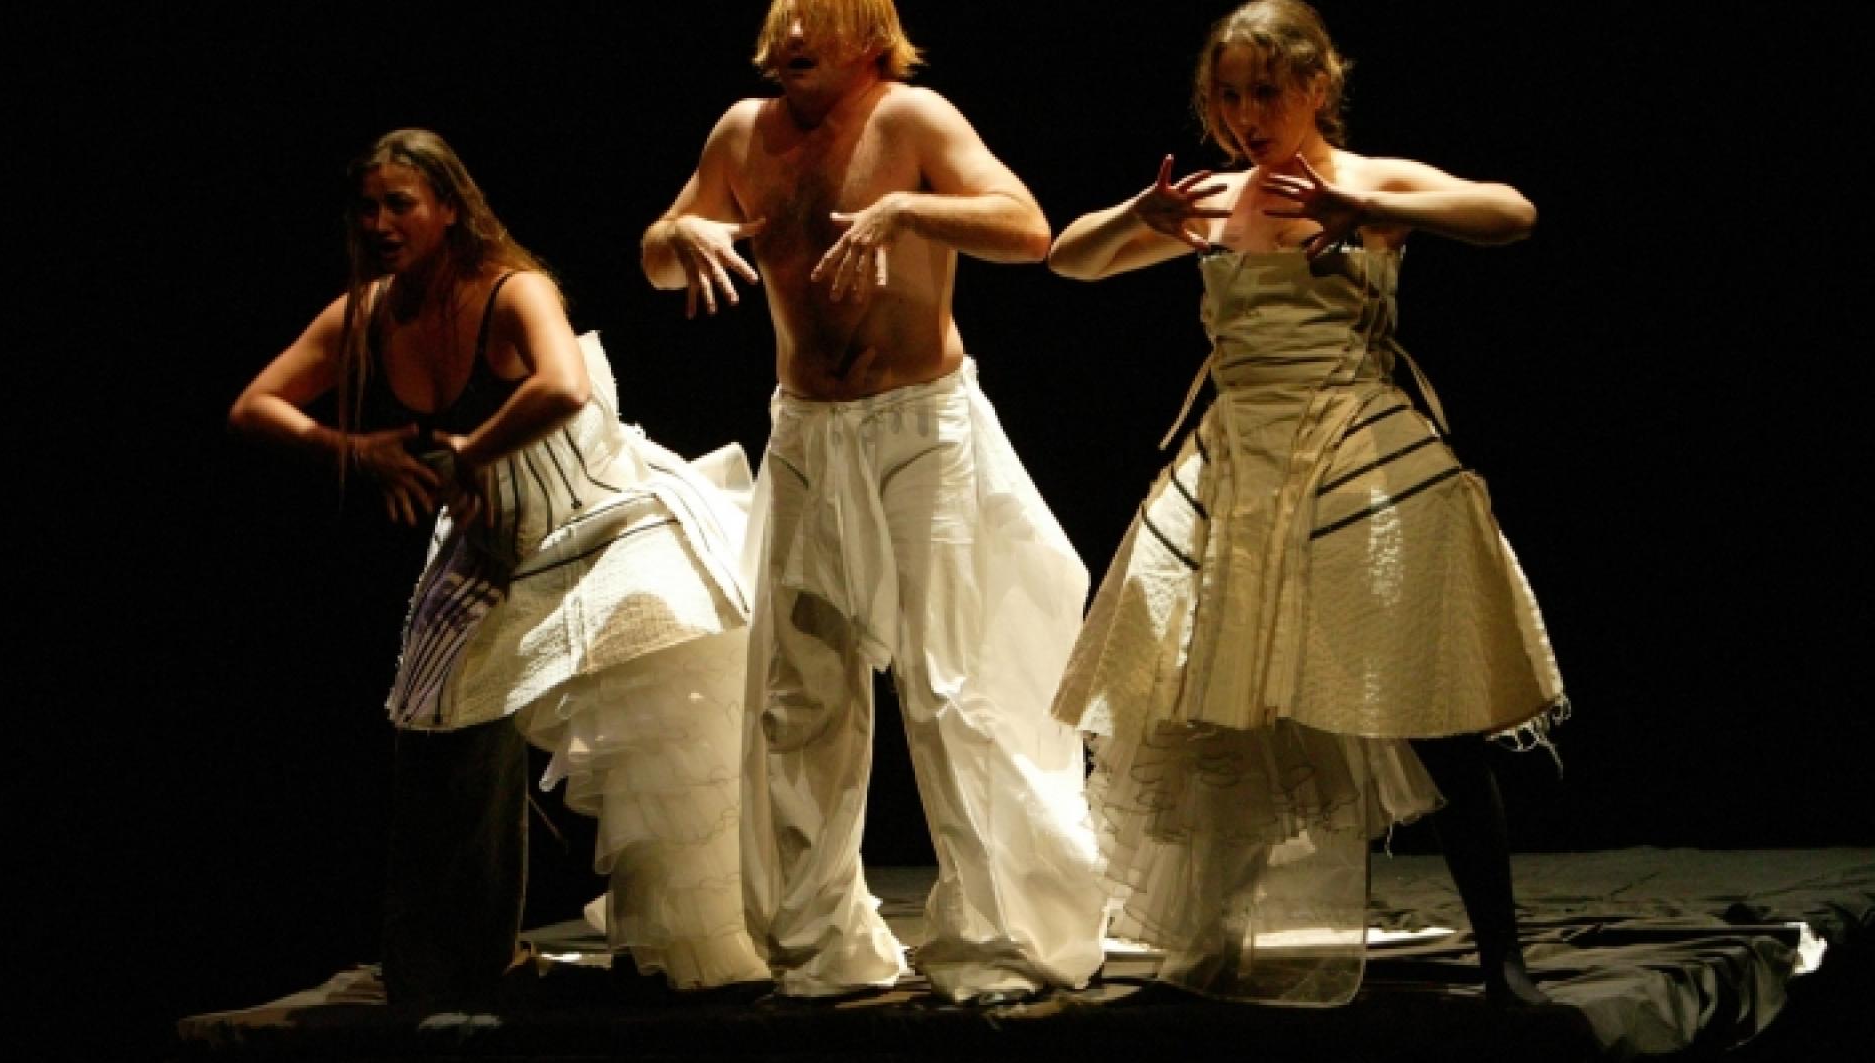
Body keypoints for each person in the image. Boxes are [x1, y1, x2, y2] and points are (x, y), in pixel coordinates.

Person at [1047, 0, 1565, 1007]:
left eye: (1266, 92)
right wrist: (1137, 217)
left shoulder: (1365, 181)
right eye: (1228, 95)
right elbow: (1068, 256)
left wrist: (1372, 213)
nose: (1246, 115)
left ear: (1316, 86)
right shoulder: (1210, 197)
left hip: (1354, 453)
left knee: (1432, 706)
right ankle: (1210, 944)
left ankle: (1501, 958)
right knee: (1216, 709)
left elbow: (1513, 213)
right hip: (1236, 466)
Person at [230, 128, 769, 1009]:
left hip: (599, 511)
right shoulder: (367, 314)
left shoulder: (514, 289)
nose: (378, 224)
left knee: (666, 718)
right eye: (366, 208)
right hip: (492, 541)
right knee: (434, 708)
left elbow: (564, 384)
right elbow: (256, 405)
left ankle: (698, 944)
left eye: (399, 204)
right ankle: (457, 964)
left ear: (449, 207)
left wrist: (470, 451)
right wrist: (353, 449)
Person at [639, 0, 1106, 1006]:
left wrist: (909, 210)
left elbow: (1026, 227)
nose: (792, 38)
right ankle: (818, 948)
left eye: (818, 18)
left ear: (864, 34)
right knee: (798, 695)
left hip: (919, 431)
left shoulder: (912, 118)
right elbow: (656, 255)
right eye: (785, 19)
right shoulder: (742, 131)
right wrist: (681, 232)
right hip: (808, 435)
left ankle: (1002, 939)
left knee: (954, 687)